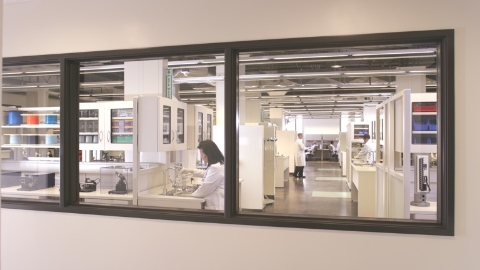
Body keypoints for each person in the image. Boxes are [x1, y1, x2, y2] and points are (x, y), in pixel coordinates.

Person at [179, 140, 225, 210]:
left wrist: (191, 195)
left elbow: (205, 189)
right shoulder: (218, 164)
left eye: (201, 154)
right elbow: (207, 173)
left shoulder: (215, 168)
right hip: (218, 202)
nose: (202, 157)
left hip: (216, 205)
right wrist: (191, 171)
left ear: (208, 154)